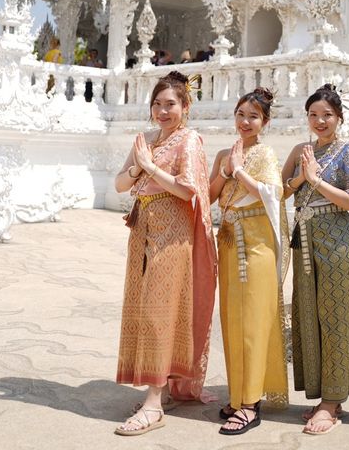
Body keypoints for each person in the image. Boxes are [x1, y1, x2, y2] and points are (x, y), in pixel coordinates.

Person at [113, 70, 217, 436]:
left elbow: (188, 190)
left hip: (172, 237)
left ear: (185, 107)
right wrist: (138, 164)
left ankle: (154, 403)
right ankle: (160, 387)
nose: (162, 110)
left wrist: (150, 165)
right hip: (142, 231)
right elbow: (120, 182)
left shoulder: (189, 141)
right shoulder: (146, 140)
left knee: (160, 313)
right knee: (143, 309)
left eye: (170, 104)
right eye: (157, 104)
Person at [282, 84, 349, 436]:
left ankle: (332, 402)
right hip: (306, 242)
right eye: (313, 115)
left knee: (335, 318)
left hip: (336, 242)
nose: (320, 121)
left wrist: (315, 181)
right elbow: (283, 189)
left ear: (339, 117)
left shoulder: (347, 154)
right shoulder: (302, 150)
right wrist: (302, 175)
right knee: (309, 316)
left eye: (326, 115)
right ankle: (322, 395)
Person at [210, 87, 288, 436]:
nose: (245, 121)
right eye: (241, 114)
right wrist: (228, 170)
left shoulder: (265, 154)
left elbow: (272, 193)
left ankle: (251, 404)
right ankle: (238, 394)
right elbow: (208, 194)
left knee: (254, 324)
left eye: (253, 116)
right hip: (227, 244)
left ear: (264, 122)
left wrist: (240, 171)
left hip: (255, 249)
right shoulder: (226, 154)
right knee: (232, 322)